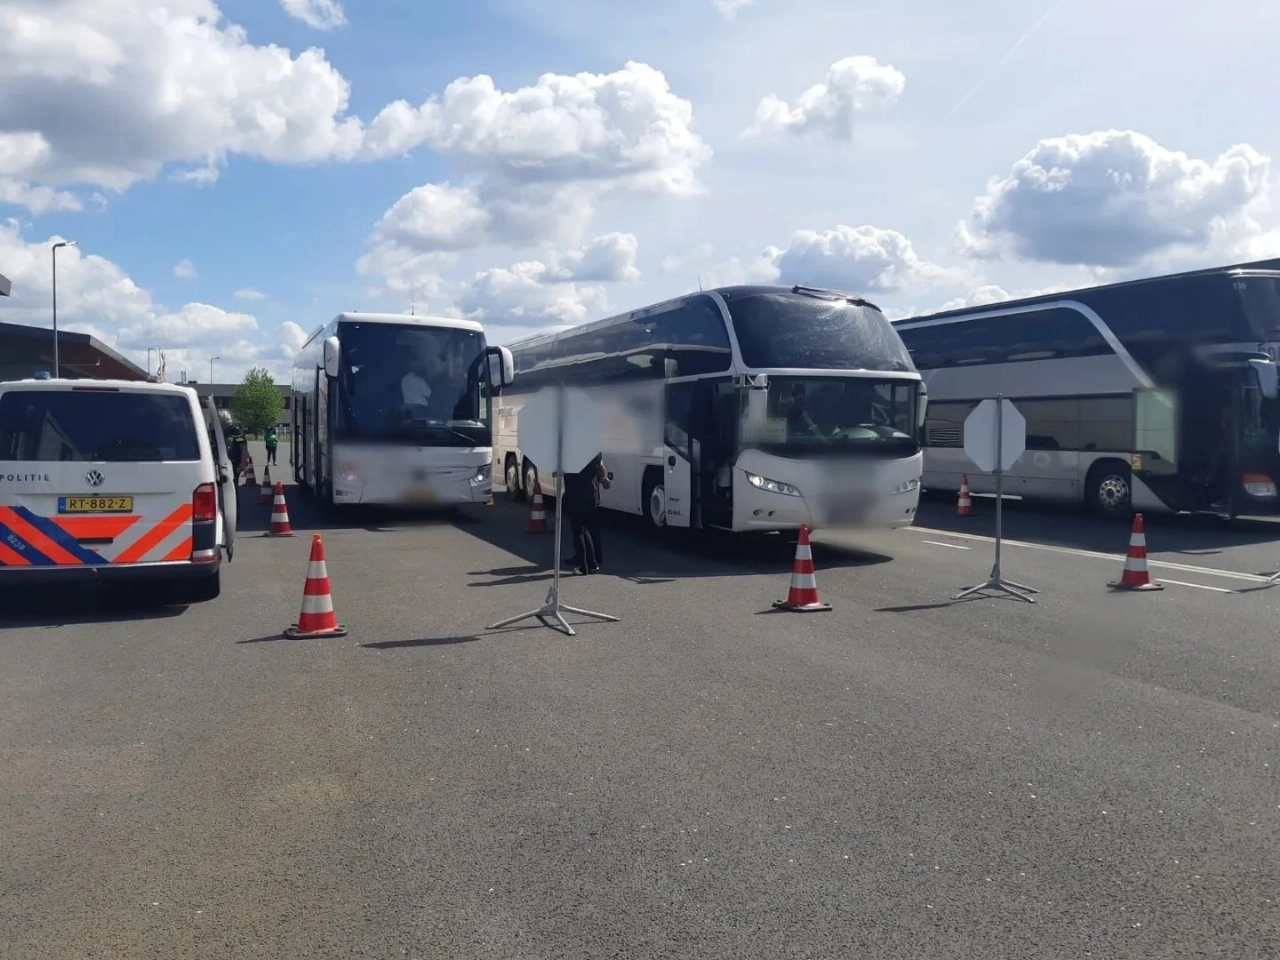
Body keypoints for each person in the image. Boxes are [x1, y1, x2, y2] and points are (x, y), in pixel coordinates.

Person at [564, 454, 609, 575]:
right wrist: (604, 480)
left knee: (578, 531)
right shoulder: (594, 452)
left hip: (576, 494)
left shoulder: (571, 453)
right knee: (584, 529)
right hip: (592, 494)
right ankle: (592, 564)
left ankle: (583, 566)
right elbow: (601, 467)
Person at [219, 410, 247, 479]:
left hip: (235, 461)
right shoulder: (219, 431)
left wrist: (243, 463)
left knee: (233, 480)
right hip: (223, 460)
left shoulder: (236, 431)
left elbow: (243, 447)